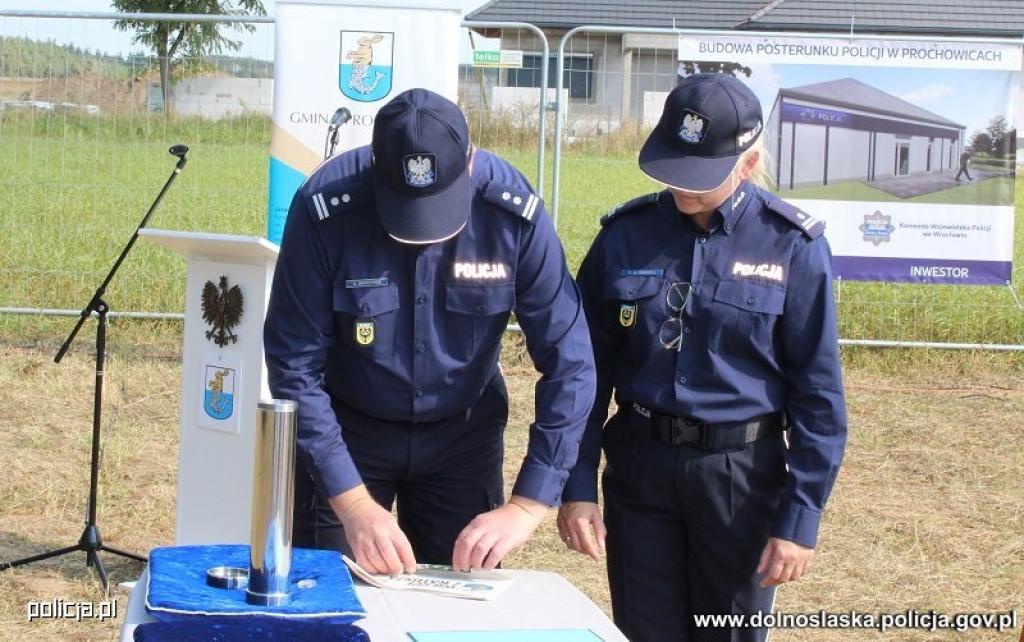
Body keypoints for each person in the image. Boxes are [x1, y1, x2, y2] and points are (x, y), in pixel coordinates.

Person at [556, 73, 848, 641]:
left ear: (748, 162)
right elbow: (586, 374)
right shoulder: (625, 236)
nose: (682, 187)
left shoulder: (792, 246)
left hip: (740, 480)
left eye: (701, 175)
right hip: (641, 471)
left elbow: (818, 396)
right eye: (673, 167)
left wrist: (800, 517)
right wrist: (577, 484)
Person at [264, 88, 595, 575]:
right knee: (333, 596)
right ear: (375, 169)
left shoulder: (513, 215)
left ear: (470, 162)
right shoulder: (326, 208)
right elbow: (294, 361)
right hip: (347, 433)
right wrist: (353, 504)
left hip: (462, 437)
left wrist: (528, 505)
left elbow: (570, 361)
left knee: (458, 598)